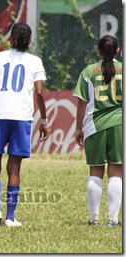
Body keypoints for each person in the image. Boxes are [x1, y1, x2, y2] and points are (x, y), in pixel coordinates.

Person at [0, 23, 50, 227]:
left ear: (11, 39)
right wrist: (44, 121)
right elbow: (40, 93)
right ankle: (10, 217)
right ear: (29, 41)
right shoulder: (35, 61)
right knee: (15, 167)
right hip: (21, 117)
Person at [73, 35, 122, 227]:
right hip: (120, 126)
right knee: (116, 172)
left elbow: (81, 103)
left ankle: (94, 218)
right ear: (118, 51)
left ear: (99, 51)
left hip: (95, 126)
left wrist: (79, 129)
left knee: (95, 171)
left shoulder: (88, 71)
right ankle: (113, 218)